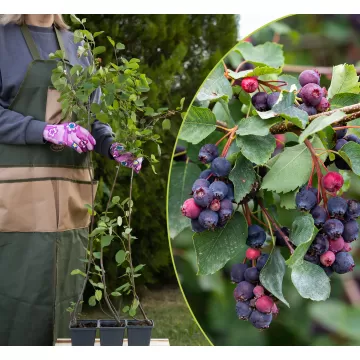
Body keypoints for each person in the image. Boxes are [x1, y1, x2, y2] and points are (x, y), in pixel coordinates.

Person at [0, 14, 141, 346]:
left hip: (70, 204)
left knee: (66, 298)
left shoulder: (80, 46)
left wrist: (113, 146)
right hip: (17, 199)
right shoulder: (2, 38)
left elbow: (91, 118)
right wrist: (46, 130)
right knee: (15, 296)